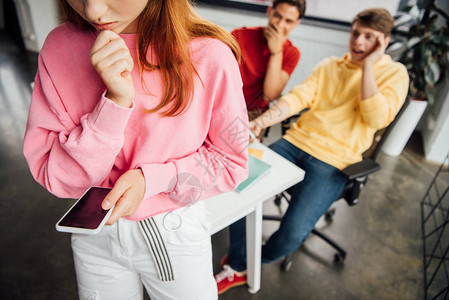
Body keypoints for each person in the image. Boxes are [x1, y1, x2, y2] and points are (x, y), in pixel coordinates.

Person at [23, 0, 249, 299]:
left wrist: (151, 181)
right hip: (92, 232)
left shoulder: (209, 54)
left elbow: (231, 162)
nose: (92, 11)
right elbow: (57, 178)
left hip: (171, 228)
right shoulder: (58, 46)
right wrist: (114, 104)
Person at [214, 7, 409, 294]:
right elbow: (298, 97)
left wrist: (368, 66)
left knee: (291, 235)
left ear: (384, 43)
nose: (358, 42)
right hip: (295, 144)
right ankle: (241, 264)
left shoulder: (395, 73)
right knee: (240, 187)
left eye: (369, 38)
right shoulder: (331, 65)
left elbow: (376, 118)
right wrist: (263, 121)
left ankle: (247, 261)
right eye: (356, 33)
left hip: (335, 161)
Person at [232, 0, 305, 140]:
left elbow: (270, 95)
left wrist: (276, 52)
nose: (280, 24)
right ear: (269, 11)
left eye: (288, 21)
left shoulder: (291, 53)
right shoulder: (240, 35)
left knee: (238, 150)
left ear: (296, 24)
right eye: (278, 16)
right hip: (228, 103)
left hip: (253, 113)